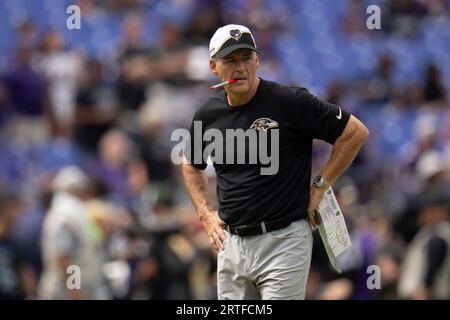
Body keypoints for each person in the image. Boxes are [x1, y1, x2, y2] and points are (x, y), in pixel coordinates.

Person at [182, 24, 369, 300]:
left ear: (257, 60)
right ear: (213, 66)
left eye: (246, 58)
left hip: (284, 239)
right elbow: (190, 164)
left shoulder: (290, 102)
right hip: (232, 245)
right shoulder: (208, 115)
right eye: (230, 60)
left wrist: (319, 185)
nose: (240, 67)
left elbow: (354, 133)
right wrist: (205, 214)